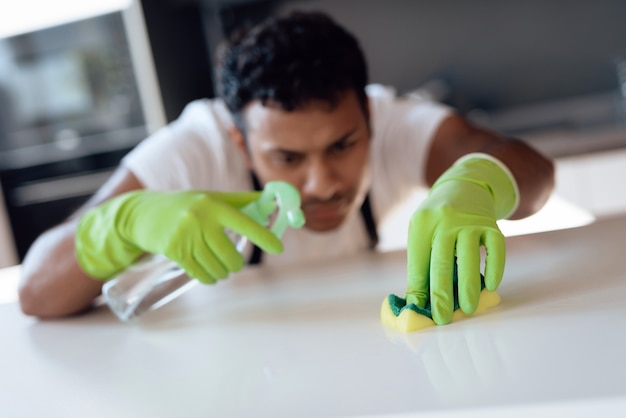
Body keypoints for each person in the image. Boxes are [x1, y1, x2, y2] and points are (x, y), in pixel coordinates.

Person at [18, 11, 554, 324]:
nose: (322, 183)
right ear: (238, 140)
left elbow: (533, 171)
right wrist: (122, 222)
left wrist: (478, 182)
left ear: (368, 115)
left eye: (343, 145)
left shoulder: (391, 120)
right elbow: (36, 290)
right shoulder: (193, 149)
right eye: (288, 158)